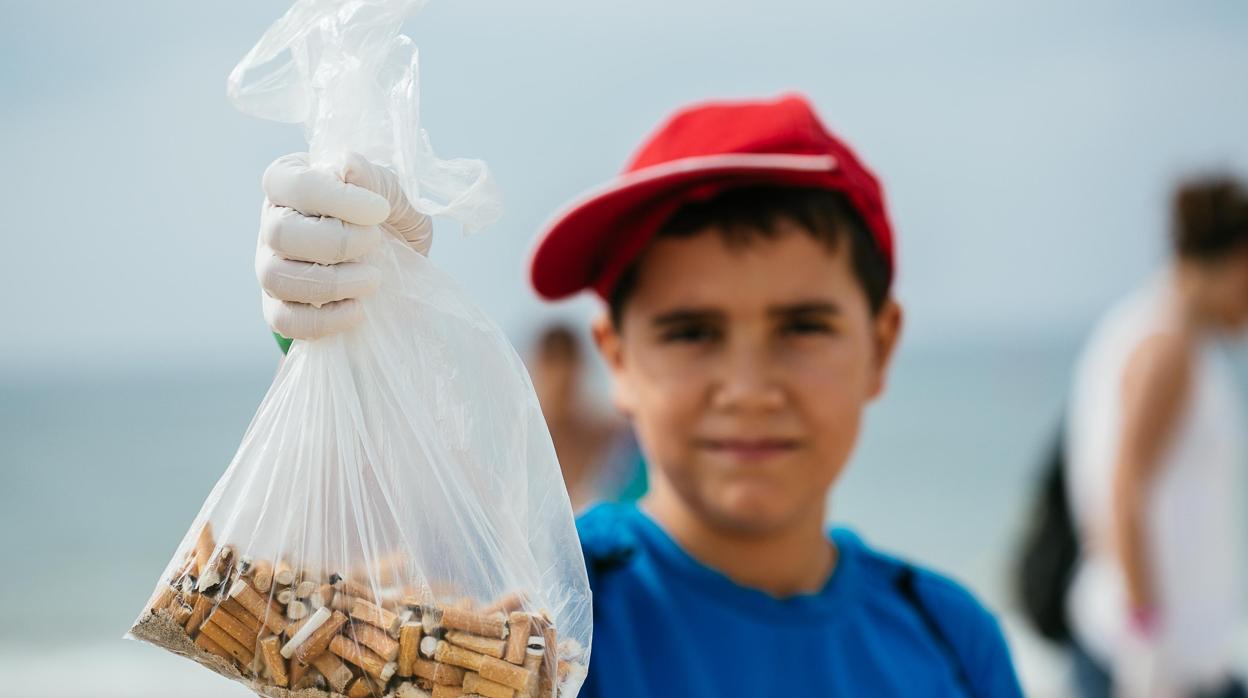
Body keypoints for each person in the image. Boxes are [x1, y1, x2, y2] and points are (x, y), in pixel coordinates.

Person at [254, 94, 1022, 696]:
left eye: (802, 327)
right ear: (615, 359)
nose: (749, 389)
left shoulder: (950, 637)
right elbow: (352, 609)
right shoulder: (543, 625)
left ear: (881, 346)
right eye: (692, 332)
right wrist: (350, 340)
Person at [1064, 177, 1248, 697]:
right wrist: (1146, 644)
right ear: (1240, 261)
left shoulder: (1148, 330)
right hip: (1155, 668)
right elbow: (1124, 493)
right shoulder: (1165, 348)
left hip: (1173, 660)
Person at [528, 323, 645, 511]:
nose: (561, 375)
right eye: (552, 361)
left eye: (567, 361)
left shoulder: (609, 435)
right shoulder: (521, 443)